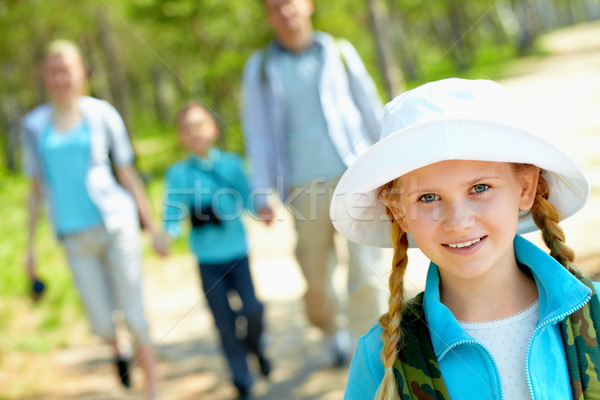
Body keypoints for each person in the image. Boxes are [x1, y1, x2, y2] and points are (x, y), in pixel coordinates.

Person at [330, 78, 598, 399]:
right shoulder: (382, 357)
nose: (458, 222)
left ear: (525, 188)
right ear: (399, 212)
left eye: (480, 188)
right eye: (428, 197)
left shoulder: (594, 313)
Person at [242, 0, 385, 365]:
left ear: (308, 5)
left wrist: (389, 164)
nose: (284, 11)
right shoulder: (260, 68)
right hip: (301, 186)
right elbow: (256, 133)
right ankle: (329, 330)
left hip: (353, 174)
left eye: (290, 3)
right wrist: (262, 192)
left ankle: (362, 346)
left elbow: (369, 106)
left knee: (366, 272)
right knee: (316, 276)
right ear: (268, 15)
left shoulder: (339, 51)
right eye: (274, 7)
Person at [21, 40, 164, 400]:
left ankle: (153, 391)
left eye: (66, 69)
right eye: (53, 71)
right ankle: (119, 348)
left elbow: (127, 173)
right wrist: (29, 249)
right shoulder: (33, 127)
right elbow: (36, 188)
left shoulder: (102, 114)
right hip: (73, 235)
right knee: (102, 324)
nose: (60, 78)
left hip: (116, 224)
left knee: (134, 316)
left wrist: (152, 226)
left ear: (82, 71)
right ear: (45, 76)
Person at [162, 101, 271, 400]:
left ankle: (257, 346)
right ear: (180, 137)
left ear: (213, 128)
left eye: (199, 124)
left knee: (252, 310)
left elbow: (250, 199)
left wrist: (263, 210)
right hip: (207, 260)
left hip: (237, 253)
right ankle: (242, 379)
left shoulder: (232, 165)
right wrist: (167, 235)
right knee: (224, 322)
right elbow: (172, 212)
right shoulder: (178, 174)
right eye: (187, 128)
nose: (194, 132)